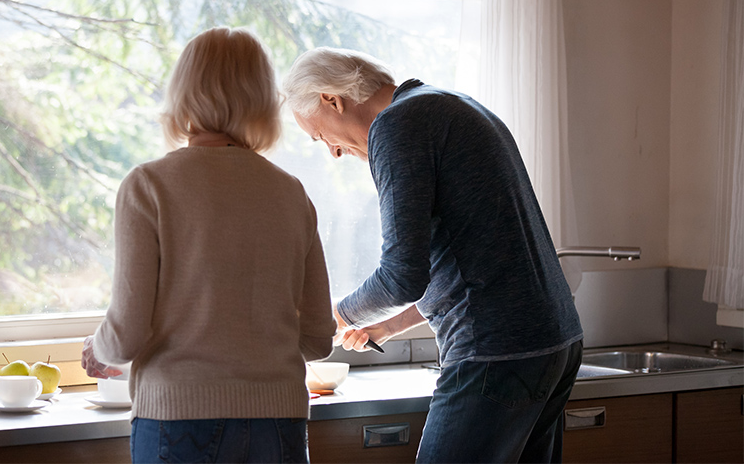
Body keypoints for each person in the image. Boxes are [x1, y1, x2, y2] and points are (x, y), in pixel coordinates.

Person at [281, 47, 583, 463]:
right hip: (553, 341)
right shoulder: (450, 105)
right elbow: (472, 261)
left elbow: (402, 275)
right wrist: (388, 325)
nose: (331, 151)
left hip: (497, 351)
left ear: (332, 100)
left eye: (319, 135)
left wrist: (332, 317)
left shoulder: (396, 126)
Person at [82, 27, 337, 464]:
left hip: (178, 421)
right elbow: (317, 340)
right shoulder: (291, 193)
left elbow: (124, 337)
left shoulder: (148, 186)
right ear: (262, 98)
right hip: (279, 423)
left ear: (182, 91)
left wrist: (96, 348)